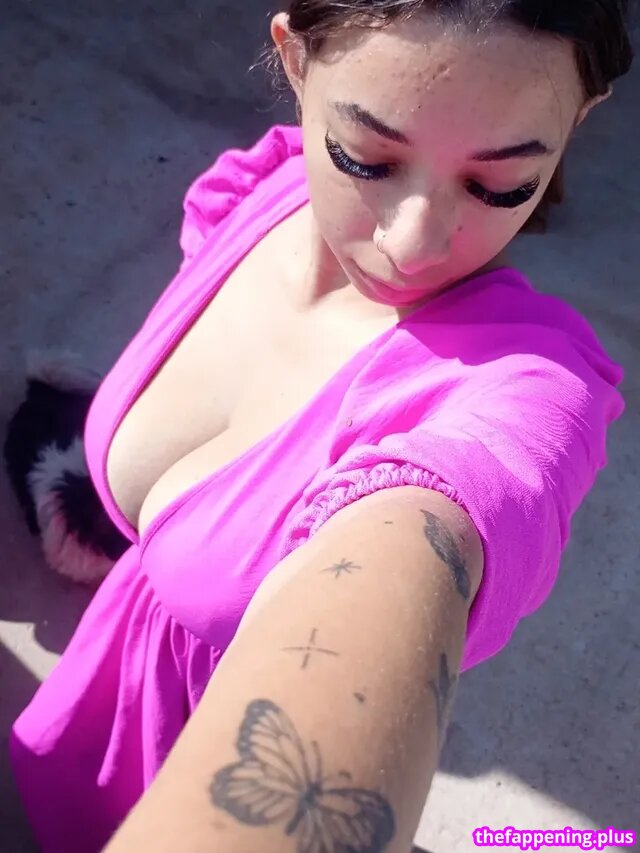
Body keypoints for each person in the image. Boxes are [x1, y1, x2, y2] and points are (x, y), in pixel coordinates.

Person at [10, 1, 633, 851]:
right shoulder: (263, 193)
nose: (411, 245)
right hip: (91, 721)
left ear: (580, 118)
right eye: (365, 158)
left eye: (499, 185)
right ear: (296, 61)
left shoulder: (522, 391)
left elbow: (429, 533)